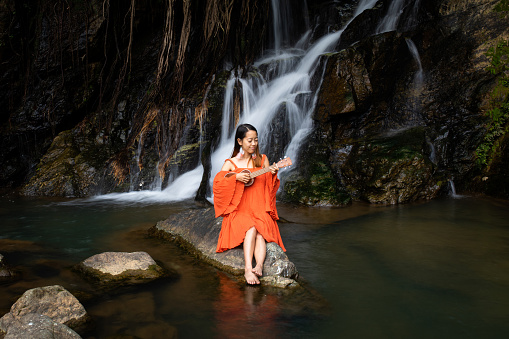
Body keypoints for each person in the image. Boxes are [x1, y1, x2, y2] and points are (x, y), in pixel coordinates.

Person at [213, 123, 286, 285]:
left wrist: (273, 173)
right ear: (240, 142)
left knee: (260, 232)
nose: (254, 144)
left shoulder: (262, 160)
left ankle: (259, 266)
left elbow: (269, 187)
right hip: (240, 210)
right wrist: (235, 178)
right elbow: (218, 183)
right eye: (250, 140)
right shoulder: (231, 163)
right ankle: (247, 268)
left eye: (256, 140)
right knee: (251, 227)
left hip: (259, 207)